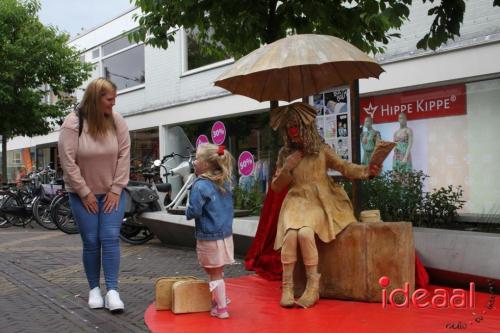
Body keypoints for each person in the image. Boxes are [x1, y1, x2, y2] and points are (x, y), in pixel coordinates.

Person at [269, 102, 380, 309]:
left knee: (304, 234)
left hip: (319, 200)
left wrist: (367, 171)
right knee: (290, 235)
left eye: (296, 126)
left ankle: (313, 286)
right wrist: (287, 168)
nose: (292, 132)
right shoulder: (285, 154)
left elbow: (344, 167)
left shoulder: (321, 150)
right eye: (288, 127)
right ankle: (287, 287)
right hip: (295, 200)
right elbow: (276, 187)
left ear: (305, 127)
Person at [58, 77, 130, 313]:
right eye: (110, 100)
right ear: (96, 98)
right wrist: (84, 192)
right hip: (82, 195)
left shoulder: (117, 121)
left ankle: (112, 291)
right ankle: (94, 289)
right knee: (91, 242)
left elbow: (124, 157)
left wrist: (116, 189)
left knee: (109, 238)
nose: (113, 105)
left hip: (112, 194)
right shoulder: (73, 123)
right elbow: (68, 162)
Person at [186, 143, 235, 319]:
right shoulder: (224, 181)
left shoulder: (200, 185)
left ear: (206, 164)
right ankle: (220, 298)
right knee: (217, 271)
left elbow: (195, 211)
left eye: (197, 158)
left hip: (209, 237)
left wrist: (187, 210)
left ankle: (221, 308)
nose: (194, 161)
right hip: (224, 235)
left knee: (213, 272)